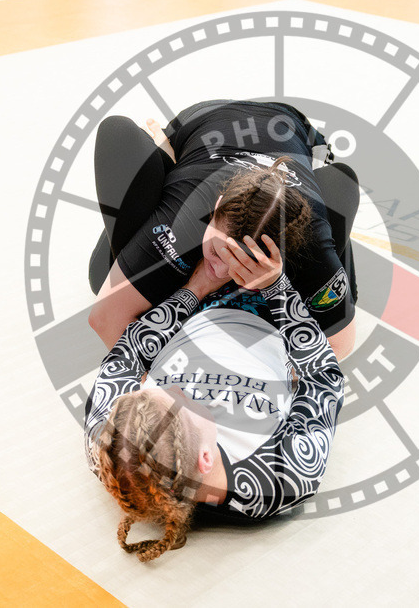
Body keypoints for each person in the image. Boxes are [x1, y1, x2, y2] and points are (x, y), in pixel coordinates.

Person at [84, 232, 345, 562]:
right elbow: (324, 378)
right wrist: (277, 288)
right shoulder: (278, 479)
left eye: (161, 387)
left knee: (110, 266)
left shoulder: (110, 445)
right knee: (331, 198)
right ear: (206, 458)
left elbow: (127, 355)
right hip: (282, 317)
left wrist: (198, 287)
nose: (178, 387)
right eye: (191, 401)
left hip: (191, 302)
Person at [86, 99, 359, 360]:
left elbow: (340, 345)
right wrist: (158, 390)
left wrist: (278, 290)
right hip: (202, 122)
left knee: (339, 188)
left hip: (290, 133)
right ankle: (168, 155)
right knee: (103, 276)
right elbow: (104, 319)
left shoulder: (309, 241)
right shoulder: (184, 221)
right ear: (214, 211)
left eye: (244, 262)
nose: (222, 271)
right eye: (218, 252)